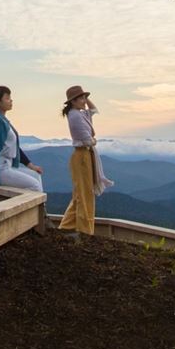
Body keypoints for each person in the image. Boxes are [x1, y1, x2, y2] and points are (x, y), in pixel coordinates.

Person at [58, 84, 111, 236]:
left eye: (83, 97)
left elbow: (94, 110)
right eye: (80, 98)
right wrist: (94, 141)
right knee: (85, 194)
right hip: (82, 156)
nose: (83, 100)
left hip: (85, 155)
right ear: (72, 101)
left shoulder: (79, 113)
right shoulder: (75, 116)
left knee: (79, 194)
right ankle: (85, 230)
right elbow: (88, 141)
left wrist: (87, 98)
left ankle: (66, 226)